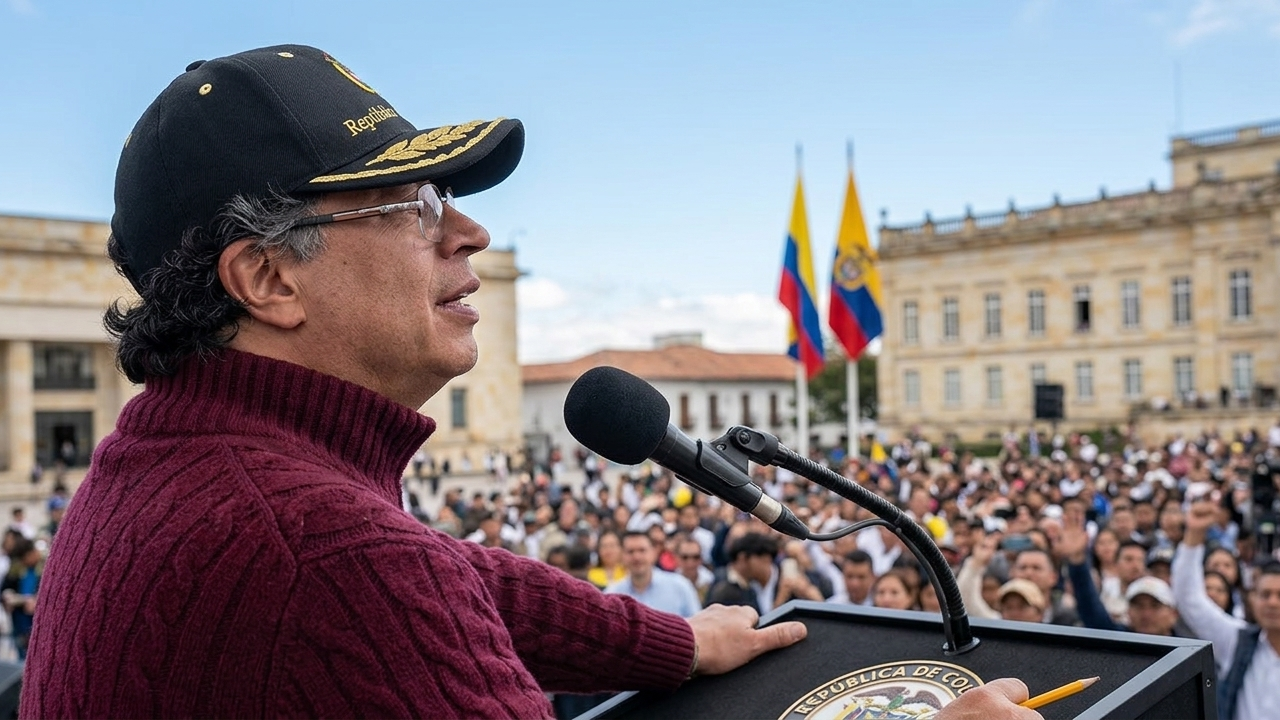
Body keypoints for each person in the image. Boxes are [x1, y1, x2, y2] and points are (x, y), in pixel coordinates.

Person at [22, 44, 1038, 720]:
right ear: (269, 277)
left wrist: (668, 642)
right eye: (415, 206)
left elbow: (452, 576)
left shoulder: (176, 457)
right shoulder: (323, 547)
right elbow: (388, 576)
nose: (470, 233)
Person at [1172, 499, 1280, 720]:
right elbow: (1190, 599)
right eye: (1265, 595)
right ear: (1252, 599)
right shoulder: (1238, 641)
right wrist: (1194, 535)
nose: (1273, 602)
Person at [606, 532, 701, 618]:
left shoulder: (680, 586)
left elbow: (697, 625)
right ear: (622, 556)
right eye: (630, 552)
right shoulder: (613, 594)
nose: (636, 557)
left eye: (642, 550)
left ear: (653, 553)